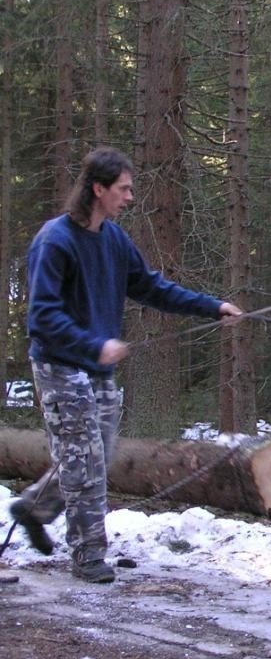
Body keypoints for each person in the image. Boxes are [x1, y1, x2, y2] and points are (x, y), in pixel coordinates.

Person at [8, 147, 243, 583]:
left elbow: (152, 287)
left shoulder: (114, 239)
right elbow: (41, 317)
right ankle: (89, 556)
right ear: (98, 189)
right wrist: (93, 344)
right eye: (123, 189)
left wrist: (213, 308)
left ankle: (34, 507)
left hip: (97, 370)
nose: (130, 197)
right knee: (85, 462)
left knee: (95, 455)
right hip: (60, 367)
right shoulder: (54, 240)